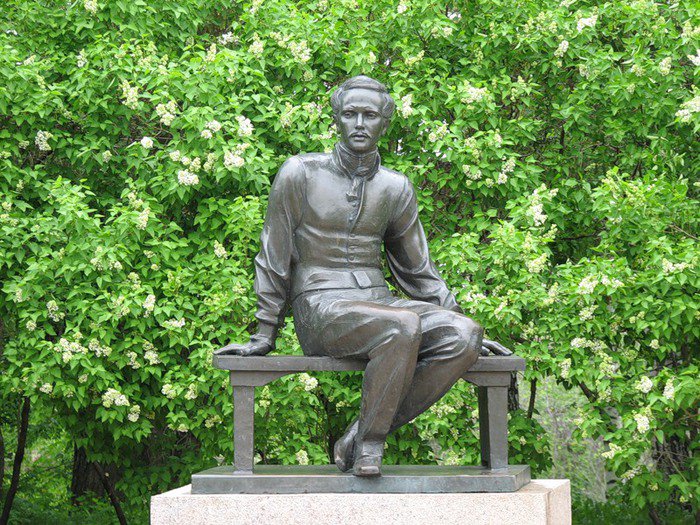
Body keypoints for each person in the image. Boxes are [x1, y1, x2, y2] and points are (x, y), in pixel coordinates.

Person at [216, 75, 511, 477]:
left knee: (464, 335)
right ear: (336, 118)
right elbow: (273, 254)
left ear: (384, 123)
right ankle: (371, 444)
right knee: (401, 325)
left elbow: (418, 270)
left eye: (369, 115)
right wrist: (265, 332)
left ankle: (357, 434)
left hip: (381, 304)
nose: (358, 123)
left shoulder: (395, 187)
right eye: (350, 114)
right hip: (320, 307)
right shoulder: (300, 173)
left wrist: (455, 319)